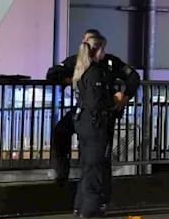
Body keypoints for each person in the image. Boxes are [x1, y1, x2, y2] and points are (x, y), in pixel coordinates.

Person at [47, 29, 139, 189]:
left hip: (104, 113)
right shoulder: (76, 61)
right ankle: (63, 174)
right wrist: (77, 82)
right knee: (61, 132)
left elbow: (133, 77)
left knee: (100, 155)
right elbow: (53, 74)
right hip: (83, 112)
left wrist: (124, 98)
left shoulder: (110, 63)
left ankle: (99, 192)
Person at [71, 32, 121, 218]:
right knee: (94, 166)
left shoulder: (82, 69)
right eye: (103, 49)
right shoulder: (95, 72)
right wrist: (113, 103)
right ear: (96, 50)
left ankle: (80, 204)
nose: (104, 53)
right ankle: (90, 207)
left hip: (84, 122)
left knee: (87, 165)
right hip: (95, 124)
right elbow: (95, 102)